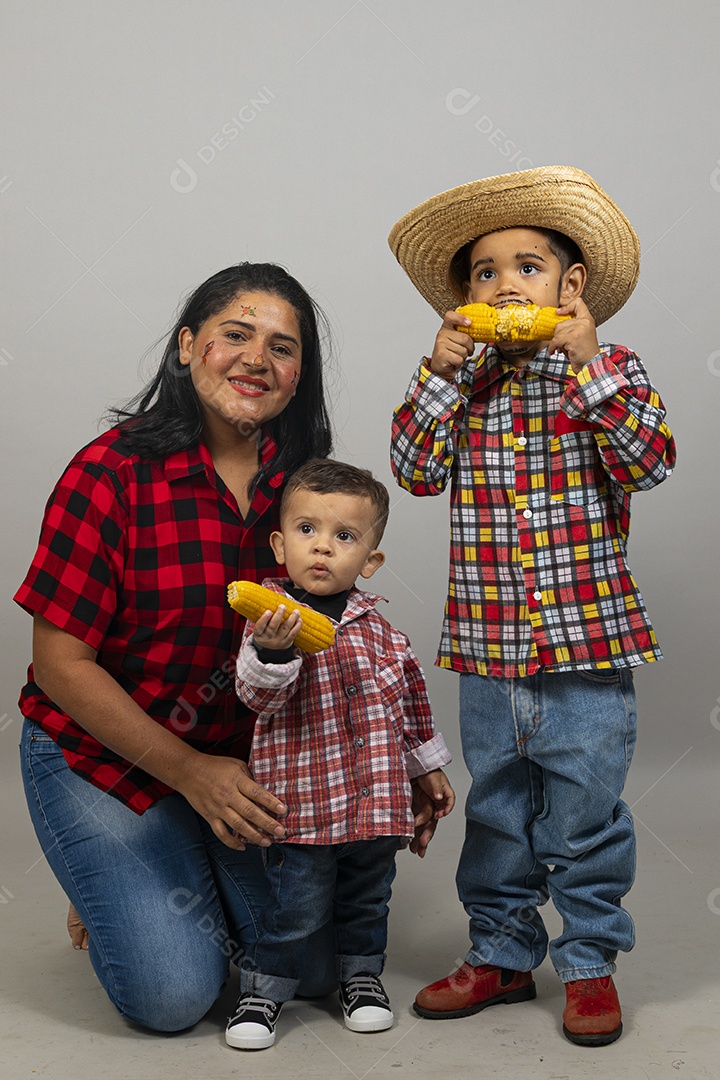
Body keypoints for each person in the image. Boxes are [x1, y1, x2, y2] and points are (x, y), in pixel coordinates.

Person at [388, 167, 676, 1047]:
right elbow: (412, 471)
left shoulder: (609, 369)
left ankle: (588, 961)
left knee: (584, 810)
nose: (505, 285)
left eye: (527, 266)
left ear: (571, 286)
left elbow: (650, 460)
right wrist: (437, 377)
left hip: (586, 648)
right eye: (484, 274)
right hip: (487, 650)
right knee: (499, 810)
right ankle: (503, 953)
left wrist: (587, 368)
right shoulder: (463, 386)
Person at [15, 262, 340, 1033]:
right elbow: (62, 666)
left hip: (242, 762)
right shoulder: (110, 473)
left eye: (282, 347)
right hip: (102, 752)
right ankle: (110, 860)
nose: (257, 359)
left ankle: (163, 854)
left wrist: (407, 760)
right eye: (236, 335)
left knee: (315, 970)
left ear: (299, 378)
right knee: (173, 997)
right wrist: (189, 773)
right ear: (189, 347)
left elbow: (338, 645)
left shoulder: (306, 490)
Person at [225, 458, 456, 1049]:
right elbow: (256, 696)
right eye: (307, 531)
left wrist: (426, 770)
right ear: (280, 545)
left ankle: (362, 980)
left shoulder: (382, 632)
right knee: (292, 908)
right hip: (303, 810)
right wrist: (275, 654)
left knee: (367, 900)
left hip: (374, 807)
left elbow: (409, 705)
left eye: (344, 537)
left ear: (370, 560)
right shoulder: (269, 620)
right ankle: (262, 991)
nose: (322, 548)